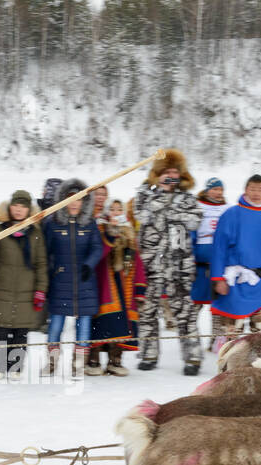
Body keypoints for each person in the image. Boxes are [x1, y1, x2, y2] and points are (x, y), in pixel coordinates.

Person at [132, 148, 203, 374]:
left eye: (175, 172)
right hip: (151, 263)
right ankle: (148, 354)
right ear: (157, 174)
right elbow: (141, 215)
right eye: (166, 172)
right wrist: (160, 196)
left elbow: (195, 221)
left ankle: (192, 358)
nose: (170, 176)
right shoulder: (145, 195)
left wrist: (175, 213)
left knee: (184, 313)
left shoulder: (187, 198)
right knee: (148, 311)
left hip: (179, 264)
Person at [209, 175, 261, 343]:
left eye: (260, 189)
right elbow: (219, 248)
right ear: (246, 190)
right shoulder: (231, 214)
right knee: (232, 336)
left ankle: (259, 367)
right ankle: (229, 367)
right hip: (236, 282)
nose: (256, 193)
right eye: (253, 189)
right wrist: (218, 279)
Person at [44, 177, 106, 376]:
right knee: (55, 326)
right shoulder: (53, 223)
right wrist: (51, 269)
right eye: (70, 198)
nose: (74, 203)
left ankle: (78, 363)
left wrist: (90, 263)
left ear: (84, 202)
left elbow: (97, 247)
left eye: (78, 199)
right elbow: (45, 250)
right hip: (60, 282)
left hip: (85, 282)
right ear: (63, 199)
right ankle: (52, 362)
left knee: (84, 326)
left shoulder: (89, 223)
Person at [0, 189, 47, 381]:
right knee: (1, 331)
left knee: (21, 332)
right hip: (1, 289)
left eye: (23, 206)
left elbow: (41, 264)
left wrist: (40, 290)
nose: (18, 210)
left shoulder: (35, 234)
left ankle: (16, 367)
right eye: (15, 205)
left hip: (25, 292)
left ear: (29, 210)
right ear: (10, 207)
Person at [90, 200, 146, 376]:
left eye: (119, 209)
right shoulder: (100, 229)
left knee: (122, 323)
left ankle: (115, 360)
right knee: (102, 322)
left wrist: (140, 286)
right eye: (112, 209)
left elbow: (136, 260)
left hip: (124, 284)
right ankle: (94, 359)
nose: (116, 212)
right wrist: (110, 235)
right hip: (104, 283)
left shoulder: (128, 231)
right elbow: (99, 254)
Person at [193, 177, 229, 349]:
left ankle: (215, 339)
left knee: (218, 305)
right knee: (196, 304)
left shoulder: (227, 209)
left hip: (219, 265)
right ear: (207, 190)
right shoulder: (197, 207)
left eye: (220, 189)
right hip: (200, 265)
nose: (218, 192)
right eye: (214, 189)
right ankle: (193, 338)